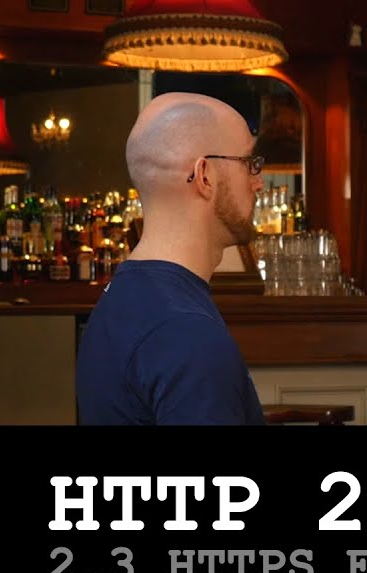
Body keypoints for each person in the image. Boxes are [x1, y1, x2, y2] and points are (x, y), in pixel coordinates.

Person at [75, 91, 265, 425]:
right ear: (204, 176)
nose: (258, 183)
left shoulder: (120, 300)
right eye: (249, 164)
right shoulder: (187, 333)